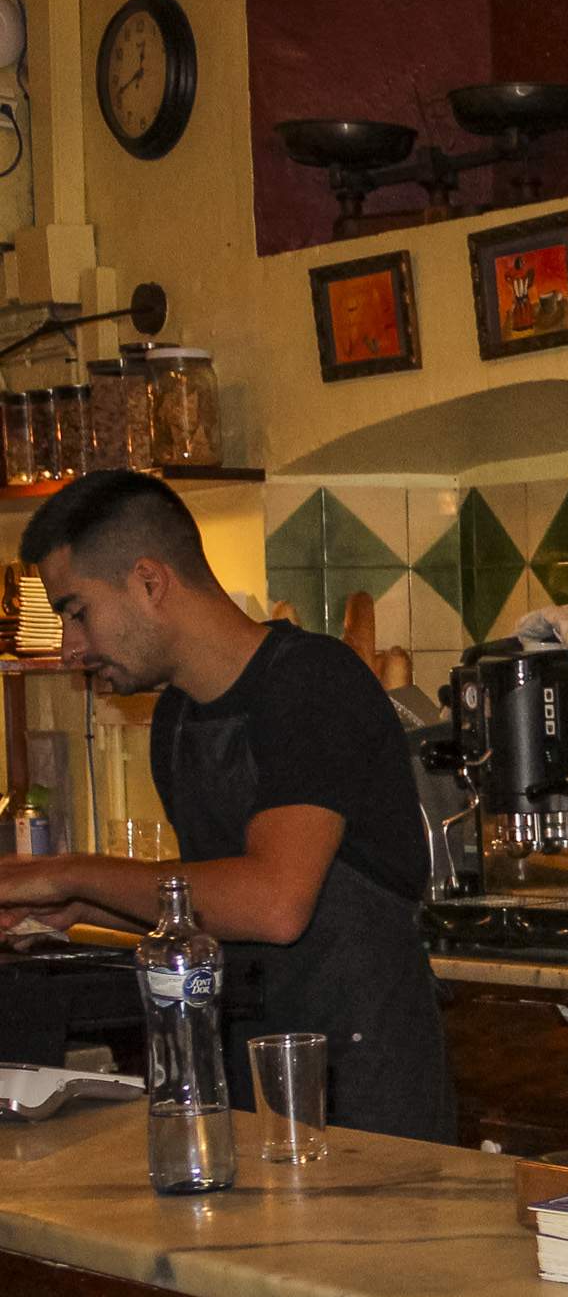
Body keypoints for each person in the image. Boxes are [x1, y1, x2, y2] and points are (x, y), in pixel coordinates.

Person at [0, 471, 454, 1141]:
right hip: (245, 1087)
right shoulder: (178, 719)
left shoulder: (313, 683)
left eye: (76, 611)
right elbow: (205, 908)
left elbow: (274, 902)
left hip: (366, 1097)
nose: (70, 647)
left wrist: (69, 872)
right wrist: (81, 908)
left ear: (149, 582)